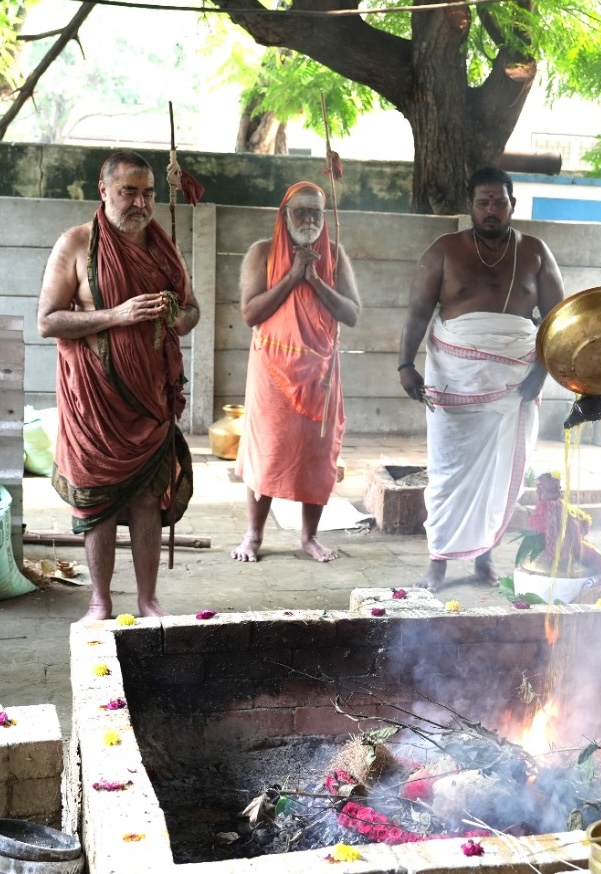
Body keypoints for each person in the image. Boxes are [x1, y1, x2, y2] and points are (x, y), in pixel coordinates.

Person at [36, 151, 200, 621]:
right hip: (94, 402)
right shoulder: (75, 244)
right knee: (100, 503)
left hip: (150, 399)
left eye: (147, 192)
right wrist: (116, 315)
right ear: (103, 190)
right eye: (129, 191)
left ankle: (148, 599)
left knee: (149, 498)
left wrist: (176, 315)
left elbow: (191, 313)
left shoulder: (162, 247)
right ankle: (100, 600)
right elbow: (48, 320)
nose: (140, 202)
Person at [398, 166, 565, 591]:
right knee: (448, 473)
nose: (491, 210)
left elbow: (558, 321)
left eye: (499, 202)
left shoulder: (536, 252)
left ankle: (483, 560)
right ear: (471, 206)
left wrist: (541, 373)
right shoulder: (444, 250)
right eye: (483, 202)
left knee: (498, 473)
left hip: (517, 379)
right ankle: (437, 564)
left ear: (513, 204)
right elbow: (418, 312)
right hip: (455, 378)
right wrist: (405, 365)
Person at [231, 182, 361, 563]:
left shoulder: (335, 255)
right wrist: (292, 277)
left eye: (316, 213)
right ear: (284, 216)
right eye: (300, 212)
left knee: (317, 452)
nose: (309, 219)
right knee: (268, 449)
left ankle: (309, 537)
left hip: (321, 371)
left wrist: (316, 280)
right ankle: (253, 535)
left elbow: (351, 314)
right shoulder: (262, 253)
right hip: (272, 368)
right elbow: (250, 313)